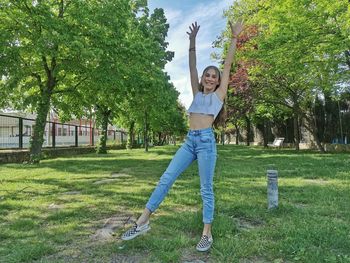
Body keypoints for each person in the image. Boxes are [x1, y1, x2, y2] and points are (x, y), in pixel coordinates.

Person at [121, 20, 243, 252]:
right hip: (189, 142)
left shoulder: (219, 96)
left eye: (213, 76)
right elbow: (191, 66)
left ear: (218, 82)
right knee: (166, 178)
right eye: (207, 75)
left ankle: (207, 233)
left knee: (206, 188)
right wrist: (192, 41)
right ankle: (142, 221)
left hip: (206, 142)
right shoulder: (196, 92)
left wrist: (235, 38)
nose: (209, 78)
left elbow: (227, 66)